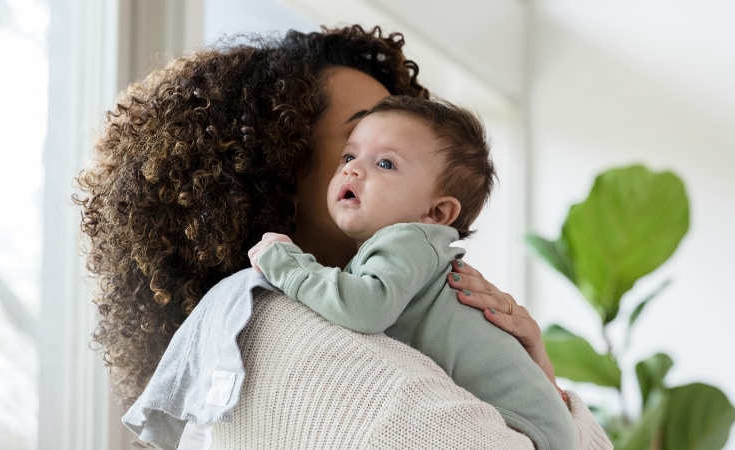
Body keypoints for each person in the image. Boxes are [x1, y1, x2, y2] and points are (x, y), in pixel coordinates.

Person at [75, 25, 610, 449]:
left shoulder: (361, 297)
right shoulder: (287, 331)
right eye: (351, 148)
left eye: (388, 159)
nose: (356, 170)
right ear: (272, 167)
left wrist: (534, 372)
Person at [245, 95, 576, 449]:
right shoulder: (409, 253)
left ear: (435, 214)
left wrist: (288, 264)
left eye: (385, 163)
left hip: (523, 427)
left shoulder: (408, 240)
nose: (352, 169)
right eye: (349, 155)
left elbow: (365, 309)